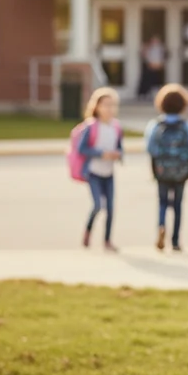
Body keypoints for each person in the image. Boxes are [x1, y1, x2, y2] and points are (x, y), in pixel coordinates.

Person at [146, 84, 188, 253]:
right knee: (177, 205)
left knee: (162, 202)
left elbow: (150, 147)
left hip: (162, 171)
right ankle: (175, 240)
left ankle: (161, 226)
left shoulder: (155, 126)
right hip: (181, 172)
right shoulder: (186, 126)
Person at [78, 87, 123, 253]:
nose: (109, 109)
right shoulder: (91, 127)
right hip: (93, 172)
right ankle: (88, 230)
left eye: (112, 105)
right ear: (96, 107)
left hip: (108, 173)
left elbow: (120, 147)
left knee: (111, 208)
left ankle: (107, 240)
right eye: (105, 105)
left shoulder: (116, 127)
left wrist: (118, 154)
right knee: (98, 205)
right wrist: (101, 153)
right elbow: (81, 149)